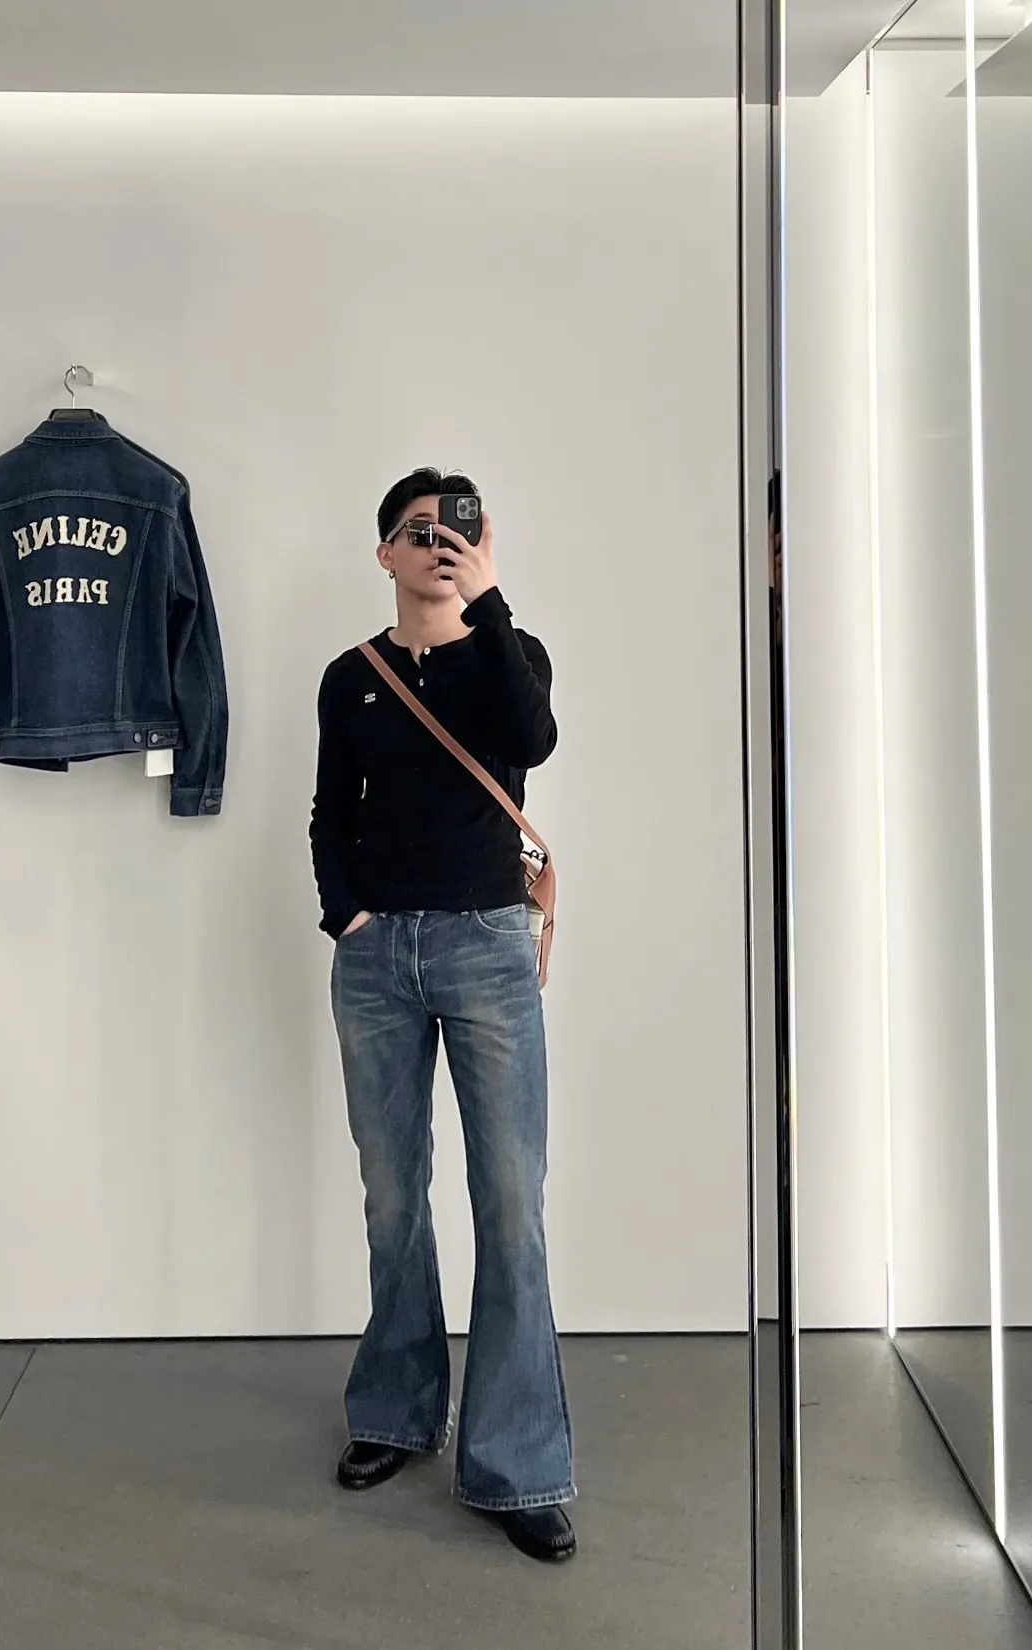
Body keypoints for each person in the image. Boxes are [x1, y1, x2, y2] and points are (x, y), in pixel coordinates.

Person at [309, 467, 576, 1564]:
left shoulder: (511, 654)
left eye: (456, 530)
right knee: (392, 1195)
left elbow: (532, 738)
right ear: (384, 553)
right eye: (416, 531)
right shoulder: (351, 676)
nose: (437, 545)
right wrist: (347, 916)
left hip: (487, 947)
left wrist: (489, 599)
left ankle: (515, 1465)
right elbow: (331, 810)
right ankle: (395, 1412)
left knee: (510, 1201)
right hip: (378, 959)